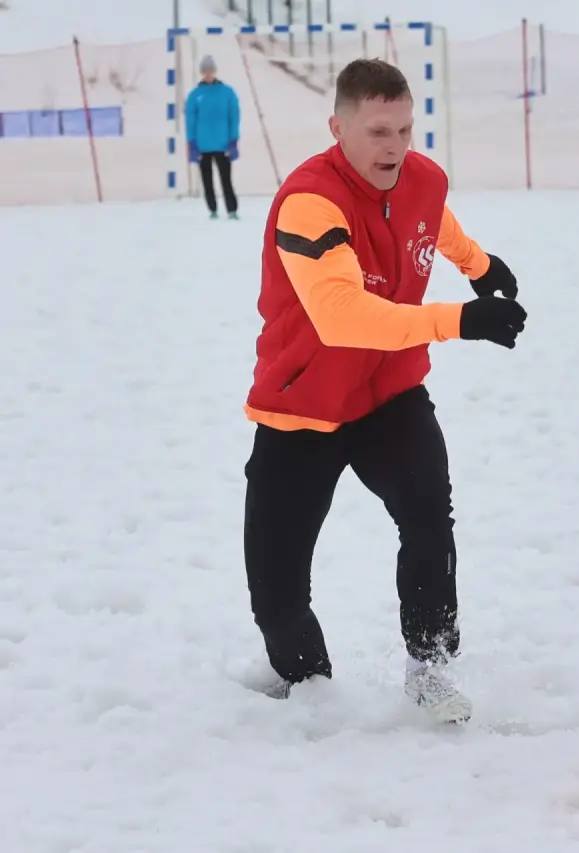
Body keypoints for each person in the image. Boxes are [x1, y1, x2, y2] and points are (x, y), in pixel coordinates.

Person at [241, 58, 527, 723]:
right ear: (337, 128)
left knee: (429, 517)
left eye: (403, 129)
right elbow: (340, 317)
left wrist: (477, 263)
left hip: (389, 390)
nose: (394, 146)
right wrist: (459, 319)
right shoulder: (310, 201)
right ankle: (306, 684)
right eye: (376, 131)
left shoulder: (419, 176)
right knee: (277, 588)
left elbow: (430, 218)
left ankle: (430, 666)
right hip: (303, 406)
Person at [186, 56, 240, 220]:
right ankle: (212, 209)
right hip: (202, 146)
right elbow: (190, 120)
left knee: (226, 179)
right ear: (202, 73)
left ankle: (232, 209)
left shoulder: (227, 92)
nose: (208, 74)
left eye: (210, 70)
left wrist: (233, 140)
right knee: (207, 180)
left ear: (214, 71)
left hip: (223, 145)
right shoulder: (195, 95)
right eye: (205, 71)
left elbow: (234, 117)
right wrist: (192, 143)